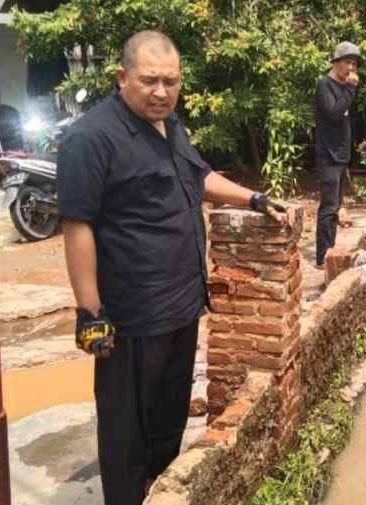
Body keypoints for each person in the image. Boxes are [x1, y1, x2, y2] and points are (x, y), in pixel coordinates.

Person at [57, 30, 285, 505]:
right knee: (125, 431)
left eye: (171, 82)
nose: (162, 92)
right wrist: (89, 313)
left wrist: (255, 197)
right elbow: (78, 226)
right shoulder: (92, 138)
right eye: (149, 81)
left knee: (169, 419)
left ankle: (161, 493)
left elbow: (198, 177)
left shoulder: (171, 126)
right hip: (130, 315)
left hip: (181, 303)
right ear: (122, 77)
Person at [314, 41, 361, 268]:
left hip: (341, 155)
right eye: (348, 62)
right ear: (336, 62)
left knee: (337, 205)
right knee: (329, 207)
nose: (351, 68)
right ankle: (322, 257)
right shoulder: (324, 84)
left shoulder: (344, 86)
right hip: (328, 155)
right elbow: (333, 114)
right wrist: (351, 89)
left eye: (354, 63)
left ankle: (331, 251)